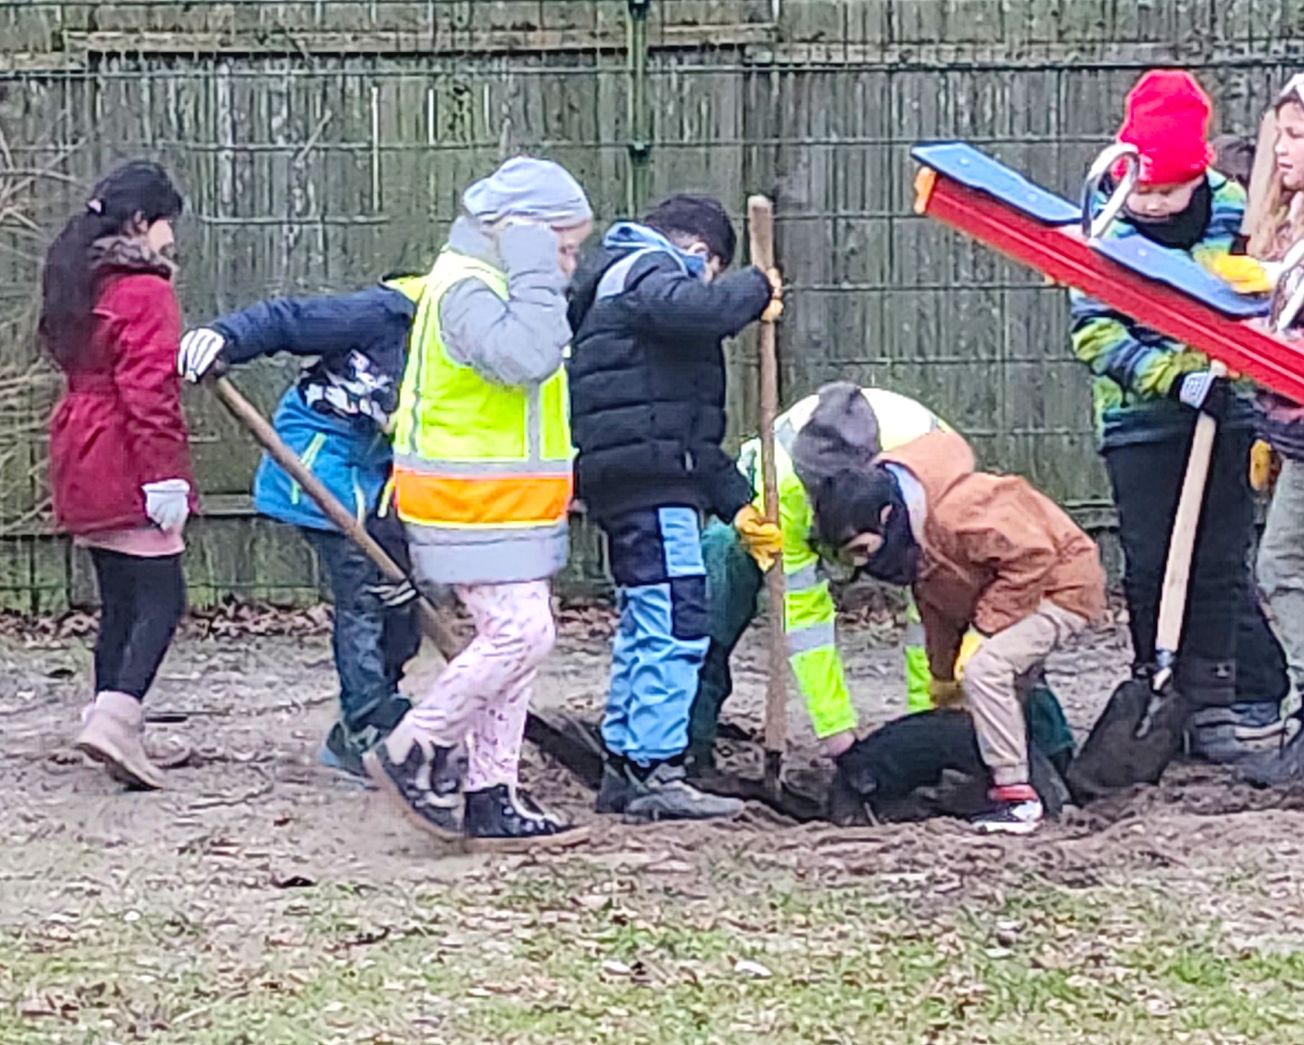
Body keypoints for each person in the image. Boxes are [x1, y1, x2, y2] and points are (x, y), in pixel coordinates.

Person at [362, 156, 593, 849]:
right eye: (563, 246)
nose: (570, 265)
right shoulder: (468, 289)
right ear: (518, 233)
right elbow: (528, 357)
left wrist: (534, 268)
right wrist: (533, 265)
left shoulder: (492, 282)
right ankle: (415, 748)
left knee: (522, 636)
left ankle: (492, 791)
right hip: (466, 498)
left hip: (504, 500)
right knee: (523, 634)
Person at [687, 382, 1076, 776]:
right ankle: (689, 745)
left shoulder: (932, 467)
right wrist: (836, 732)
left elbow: (930, 617)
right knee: (721, 568)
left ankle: (1051, 748)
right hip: (761, 517)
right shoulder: (783, 492)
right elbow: (805, 620)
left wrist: (927, 728)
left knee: (981, 617)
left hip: (912, 507)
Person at [1071, 69, 1288, 762]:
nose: (1157, 203)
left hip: (1225, 414)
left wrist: (1229, 371)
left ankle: (1214, 704)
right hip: (1138, 423)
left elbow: (1252, 303)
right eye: (1147, 189)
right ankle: (1153, 684)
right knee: (1150, 560)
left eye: (1171, 189)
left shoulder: (1234, 212)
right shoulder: (1102, 217)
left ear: (1198, 175)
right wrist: (1176, 379)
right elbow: (1095, 335)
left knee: (1221, 561)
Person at [567, 195, 783, 821]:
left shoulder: (633, 303)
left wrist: (740, 507)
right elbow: (700, 309)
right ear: (699, 254)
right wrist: (753, 287)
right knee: (675, 618)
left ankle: (628, 765)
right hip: (650, 488)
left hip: (646, 481)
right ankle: (655, 769)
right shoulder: (644, 270)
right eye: (713, 273)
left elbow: (689, 439)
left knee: (648, 618)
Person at [176, 269, 423, 779]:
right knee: (362, 592)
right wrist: (224, 337)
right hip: (317, 466)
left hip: (377, 476)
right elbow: (287, 319)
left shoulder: (462, 339)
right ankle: (363, 726)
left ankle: (375, 704)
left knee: (402, 596)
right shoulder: (381, 314)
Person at [809, 429, 1107, 834]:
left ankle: (1017, 799)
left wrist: (984, 631)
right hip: (1024, 591)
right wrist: (943, 679)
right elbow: (941, 611)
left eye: (863, 550)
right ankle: (1040, 776)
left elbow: (1034, 557)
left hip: (1063, 584)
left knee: (986, 670)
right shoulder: (916, 544)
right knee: (984, 684)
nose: (864, 567)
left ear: (884, 518)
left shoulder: (960, 511)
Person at [41, 162, 194, 790]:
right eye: (165, 226)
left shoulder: (79, 279)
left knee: (121, 600)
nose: (170, 241)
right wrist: (166, 478)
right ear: (139, 222)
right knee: (164, 597)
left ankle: (107, 723)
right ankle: (116, 716)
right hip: (125, 452)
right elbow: (149, 391)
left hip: (79, 443)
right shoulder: (144, 291)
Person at [1231, 74, 1304, 785]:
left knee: (1280, 569)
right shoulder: (1289, 221)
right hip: (1290, 429)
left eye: (1300, 135)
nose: (1284, 149)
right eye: (1281, 132)